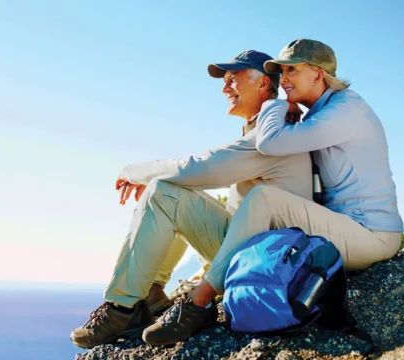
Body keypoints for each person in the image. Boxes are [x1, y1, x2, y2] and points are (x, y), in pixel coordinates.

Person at [157, 38, 403, 347]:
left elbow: (269, 142)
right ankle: (177, 284)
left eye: (291, 71)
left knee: (264, 197)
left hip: (372, 235)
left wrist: (273, 104)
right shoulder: (318, 114)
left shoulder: (346, 110)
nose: (282, 79)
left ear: (318, 74)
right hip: (344, 228)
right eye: (280, 71)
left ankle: (200, 301)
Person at [70, 50, 313, 349]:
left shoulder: (273, 134)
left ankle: (122, 310)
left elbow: (198, 167)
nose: (225, 88)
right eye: (224, 81)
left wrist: (134, 172)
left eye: (232, 79)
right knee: (171, 191)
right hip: (256, 246)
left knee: (165, 192)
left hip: (267, 257)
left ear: (263, 84)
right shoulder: (266, 127)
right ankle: (152, 293)